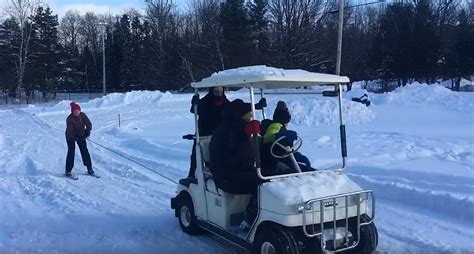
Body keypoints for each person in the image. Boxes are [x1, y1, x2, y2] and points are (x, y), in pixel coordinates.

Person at [187, 87, 266, 179]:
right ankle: (192, 175)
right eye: (216, 92)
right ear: (212, 91)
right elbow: (195, 109)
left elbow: (237, 108)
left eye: (221, 92)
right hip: (204, 132)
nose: (219, 94)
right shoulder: (205, 101)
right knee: (198, 154)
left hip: (221, 131)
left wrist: (255, 106)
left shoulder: (225, 102)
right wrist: (195, 104)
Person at [209, 99, 262, 195]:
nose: (250, 115)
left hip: (242, 170)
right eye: (247, 113)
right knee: (262, 185)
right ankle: (253, 208)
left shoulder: (239, 128)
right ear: (238, 115)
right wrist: (244, 131)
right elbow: (234, 150)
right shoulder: (224, 131)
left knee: (272, 177)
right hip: (226, 176)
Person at [261, 101, 314, 174]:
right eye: (287, 123)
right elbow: (268, 137)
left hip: (281, 157)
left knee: (305, 166)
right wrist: (281, 135)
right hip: (274, 162)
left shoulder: (280, 127)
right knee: (307, 171)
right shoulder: (275, 126)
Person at [65, 102, 94, 176]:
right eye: (75, 111)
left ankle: (89, 168)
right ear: (72, 111)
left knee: (84, 150)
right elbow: (70, 130)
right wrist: (75, 137)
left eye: (78, 110)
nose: (77, 112)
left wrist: (87, 131)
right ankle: (68, 170)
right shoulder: (69, 118)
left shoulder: (83, 115)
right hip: (70, 137)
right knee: (71, 151)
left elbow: (89, 124)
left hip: (81, 135)